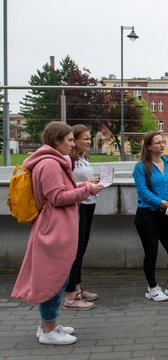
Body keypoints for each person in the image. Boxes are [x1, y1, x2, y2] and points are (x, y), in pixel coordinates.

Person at [11, 121, 103, 345]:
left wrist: (82, 187)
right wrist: (88, 189)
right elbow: (58, 197)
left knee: (57, 276)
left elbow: (60, 193)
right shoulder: (50, 164)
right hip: (54, 230)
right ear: (56, 141)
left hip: (55, 227)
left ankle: (49, 324)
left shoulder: (49, 161)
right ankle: (48, 328)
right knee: (54, 278)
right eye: (70, 140)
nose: (73, 144)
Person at [132, 131, 168, 302]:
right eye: (158, 142)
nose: (162, 145)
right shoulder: (141, 167)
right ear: (149, 146)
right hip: (148, 215)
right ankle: (151, 288)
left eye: (163, 142)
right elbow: (143, 192)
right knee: (151, 252)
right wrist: (161, 202)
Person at [62, 124, 100, 311]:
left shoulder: (83, 158)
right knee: (75, 252)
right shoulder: (68, 160)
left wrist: (92, 185)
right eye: (84, 138)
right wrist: (86, 184)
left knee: (81, 249)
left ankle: (77, 287)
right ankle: (71, 295)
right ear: (74, 140)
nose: (88, 141)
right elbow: (65, 186)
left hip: (88, 204)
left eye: (89, 137)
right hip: (78, 207)